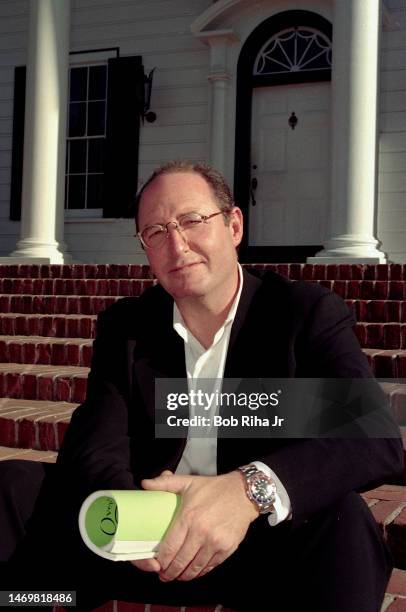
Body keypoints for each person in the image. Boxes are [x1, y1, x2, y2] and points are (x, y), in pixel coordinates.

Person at [1, 161, 403, 612]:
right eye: (155, 232)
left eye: (192, 221)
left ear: (233, 225)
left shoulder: (301, 315)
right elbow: (94, 444)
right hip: (144, 549)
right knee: (12, 488)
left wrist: (247, 491)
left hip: (257, 547)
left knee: (344, 522)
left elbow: (373, 438)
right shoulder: (129, 328)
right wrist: (137, 519)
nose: (176, 245)